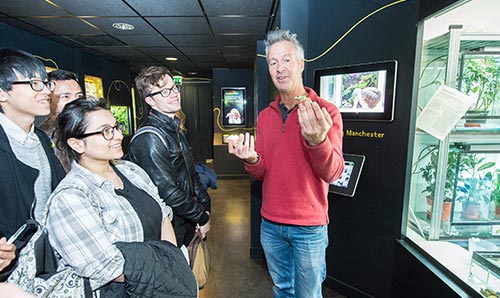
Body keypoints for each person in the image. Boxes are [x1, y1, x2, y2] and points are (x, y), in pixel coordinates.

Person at [227, 29, 344, 298]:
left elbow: (334, 172)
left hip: (309, 227)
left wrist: (317, 141)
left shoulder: (325, 112)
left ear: (301, 64)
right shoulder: (265, 116)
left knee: (308, 294)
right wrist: (252, 159)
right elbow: (262, 172)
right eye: (273, 62)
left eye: (287, 60)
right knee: (282, 289)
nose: (280, 68)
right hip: (270, 224)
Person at [44, 98, 196, 295]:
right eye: (106, 131)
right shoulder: (70, 198)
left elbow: (162, 213)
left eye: (116, 127)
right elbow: (105, 267)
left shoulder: (131, 171)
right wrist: (164, 272)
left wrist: (171, 263)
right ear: (77, 144)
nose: (118, 135)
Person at [128, 66, 211, 248]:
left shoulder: (175, 128)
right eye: (165, 92)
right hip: (167, 225)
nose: (174, 94)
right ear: (150, 100)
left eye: (174, 88)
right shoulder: (149, 138)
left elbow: (190, 172)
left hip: (185, 219)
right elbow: (168, 192)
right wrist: (200, 216)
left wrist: (204, 204)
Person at [0, 48, 65, 279]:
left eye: (46, 83)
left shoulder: (40, 138)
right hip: (12, 270)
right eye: (34, 83)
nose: (46, 91)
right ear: (2, 93)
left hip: (48, 261)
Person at [39, 69, 84, 171]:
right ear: (48, 99)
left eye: (79, 96)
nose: (75, 101)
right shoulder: (43, 137)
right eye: (66, 96)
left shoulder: (89, 127)